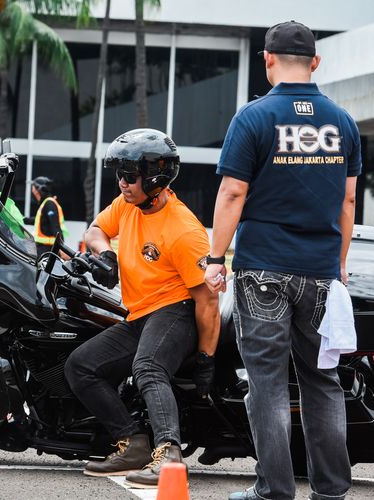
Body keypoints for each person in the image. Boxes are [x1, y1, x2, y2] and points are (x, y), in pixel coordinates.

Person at [203, 21, 361, 500]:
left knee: (267, 384)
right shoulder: (342, 123)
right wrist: (339, 264)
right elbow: (348, 201)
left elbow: (233, 192)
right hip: (320, 272)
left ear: (267, 60)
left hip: (264, 270)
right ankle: (331, 491)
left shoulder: (253, 118)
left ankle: (274, 490)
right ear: (316, 62)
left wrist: (215, 257)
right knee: (322, 382)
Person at [64, 128, 220, 489]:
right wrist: (105, 254)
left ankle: (169, 454)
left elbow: (207, 300)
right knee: (81, 366)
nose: (122, 182)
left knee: (148, 366)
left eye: (129, 175)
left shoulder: (184, 230)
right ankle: (133, 442)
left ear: (154, 177)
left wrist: (206, 359)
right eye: (119, 174)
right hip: (139, 315)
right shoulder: (127, 204)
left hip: (176, 310)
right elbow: (95, 230)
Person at [30, 176, 67, 256]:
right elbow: (41, 221)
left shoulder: (49, 204)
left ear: (38, 190)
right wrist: (22, 219)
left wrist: (62, 248)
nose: (33, 192)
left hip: (48, 250)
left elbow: (55, 227)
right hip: (44, 249)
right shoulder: (45, 203)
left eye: (33, 189)